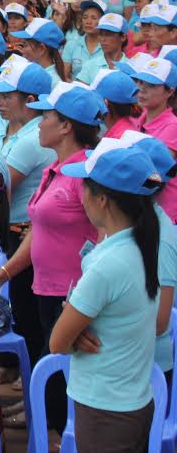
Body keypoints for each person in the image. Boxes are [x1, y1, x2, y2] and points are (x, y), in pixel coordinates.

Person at [0, 82, 104, 442]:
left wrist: (88, 300)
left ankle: (55, 439)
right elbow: (39, 233)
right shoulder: (56, 169)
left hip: (73, 296)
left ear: (66, 126)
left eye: (46, 116)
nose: (38, 122)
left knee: (55, 382)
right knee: (53, 382)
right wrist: (5, 273)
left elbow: (105, 236)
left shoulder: (85, 175)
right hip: (47, 289)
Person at [50, 138, 163, 452]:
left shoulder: (108, 263)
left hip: (105, 411)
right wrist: (77, 324)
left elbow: (57, 342)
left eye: (85, 187)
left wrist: (72, 325)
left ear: (102, 200)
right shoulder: (140, 244)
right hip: (132, 402)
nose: (80, 195)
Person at [0, 54, 55, 390]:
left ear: (30, 101)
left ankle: (38, 402)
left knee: (32, 323)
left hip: (25, 236)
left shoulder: (32, 140)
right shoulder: (21, 132)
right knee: (29, 320)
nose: (0, 103)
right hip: (18, 234)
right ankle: (32, 392)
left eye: (6, 96)